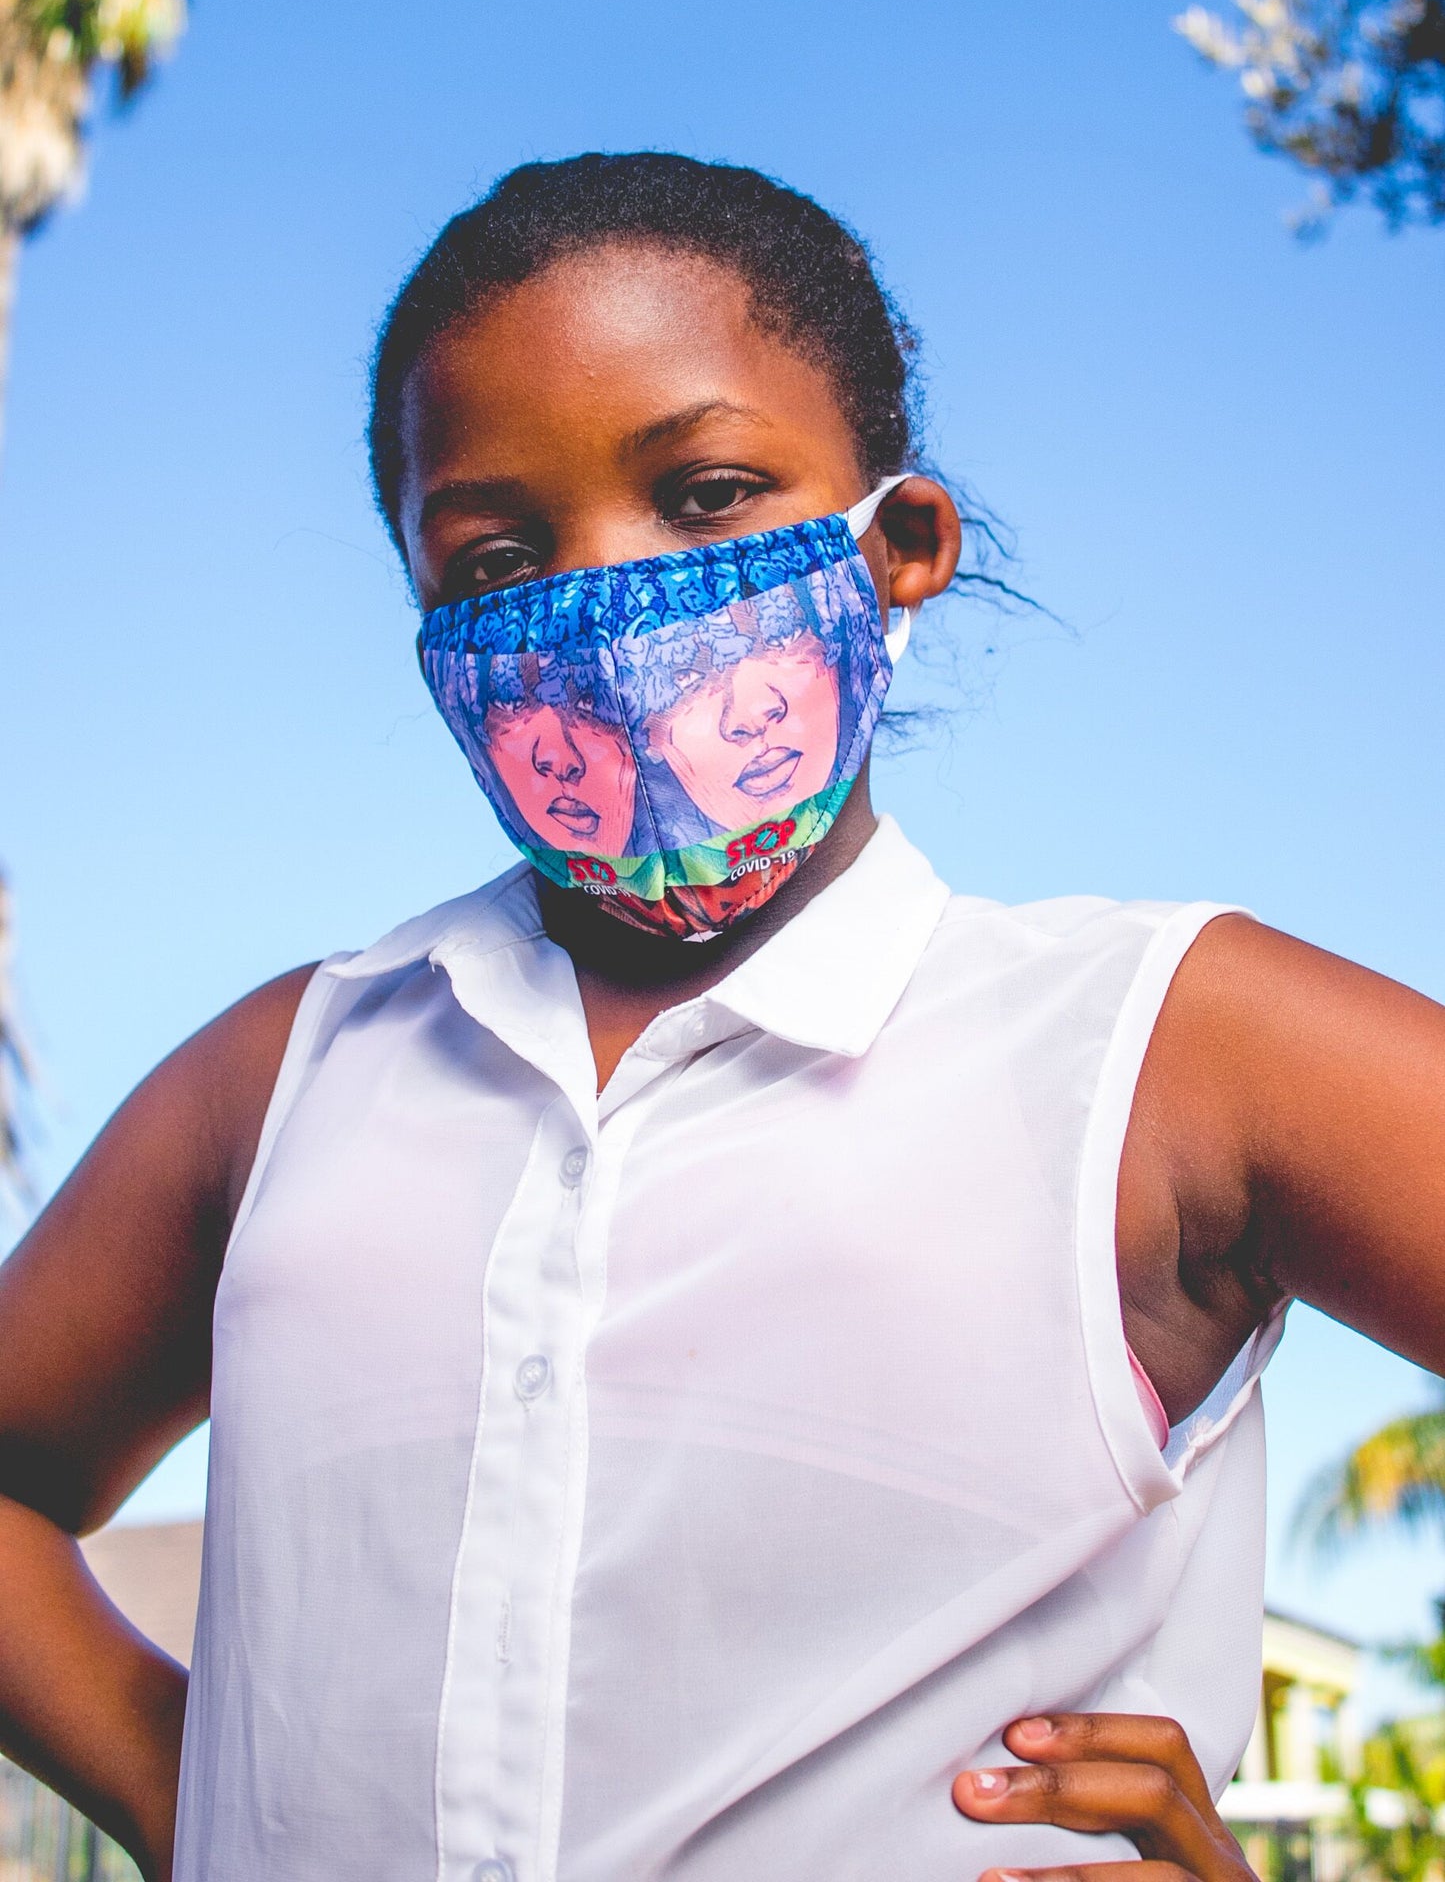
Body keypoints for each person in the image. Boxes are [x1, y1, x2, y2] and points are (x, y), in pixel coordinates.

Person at [0, 152, 1441, 1882]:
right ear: (429, 627)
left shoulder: (1164, 1049)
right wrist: (195, 1795)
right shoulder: (286, 1077)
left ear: (897, 547)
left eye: (704, 495)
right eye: (497, 553)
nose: (604, 605)